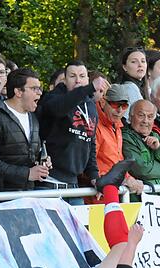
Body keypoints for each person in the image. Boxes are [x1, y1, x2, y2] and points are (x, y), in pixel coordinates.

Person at [37, 60, 108, 201]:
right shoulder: (54, 98)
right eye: (72, 76)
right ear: (65, 80)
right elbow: (58, 108)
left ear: (87, 78)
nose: (78, 80)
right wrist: (88, 88)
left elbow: (89, 143)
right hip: (49, 182)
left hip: (74, 184)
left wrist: (94, 176)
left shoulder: (91, 105)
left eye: (82, 76)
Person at [0, 68, 48, 191]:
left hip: (27, 193)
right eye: (34, 88)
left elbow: (26, 154)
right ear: (18, 91)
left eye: (40, 88)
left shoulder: (33, 118)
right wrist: (27, 174)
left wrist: (42, 160)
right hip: (1, 196)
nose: (39, 93)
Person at [94, 84, 144, 194]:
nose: (120, 110)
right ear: (103, 102)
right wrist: (124, 179)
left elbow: (116, 162)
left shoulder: (117, 126)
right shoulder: (95, 125)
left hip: (111, 189)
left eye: (124, 106)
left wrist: (129, 178)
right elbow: (89, 165)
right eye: (115, 104)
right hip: (97, 192)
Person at [122, 99, 160, 189]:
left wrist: (159, 148)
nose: (145, 121)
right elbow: (141, 170)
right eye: (141, 115)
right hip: (137, 198)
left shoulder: (155, 136)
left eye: (150, 117)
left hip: (158, 197)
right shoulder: (125, 136)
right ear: (130, 117)